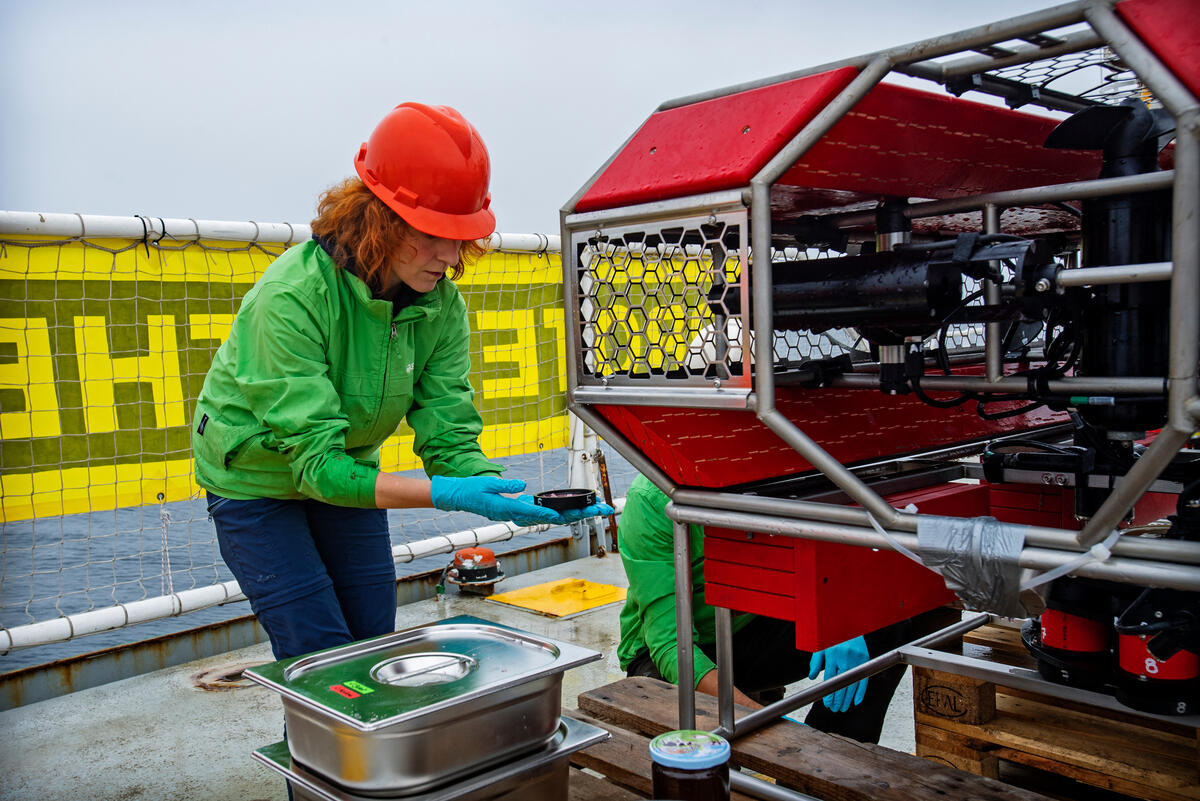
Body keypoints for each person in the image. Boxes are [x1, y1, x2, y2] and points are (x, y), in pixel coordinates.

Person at [193, 102, 611, 663]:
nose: (451, 254)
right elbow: (315, 468)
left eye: (461, 235)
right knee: (317, 654)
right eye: (433, 233)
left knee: (372, 642)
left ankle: (365, 748)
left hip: (347, 467)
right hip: (256, 480)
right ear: (379, 219)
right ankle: (319, 751)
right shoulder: (290, 299)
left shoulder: (442, 305)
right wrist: (441, 493)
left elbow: (449, 436)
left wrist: (499, 492)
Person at [617, 473, 947, 743]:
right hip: (667, 655)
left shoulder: (774, 473)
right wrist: (769, 724)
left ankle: (825, 762)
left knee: (886, 625)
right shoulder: (650, 500)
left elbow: (815, 554)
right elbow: (672, 646)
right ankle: (795, 745)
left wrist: (837, 618)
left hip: (748, 629)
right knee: (717, 759)